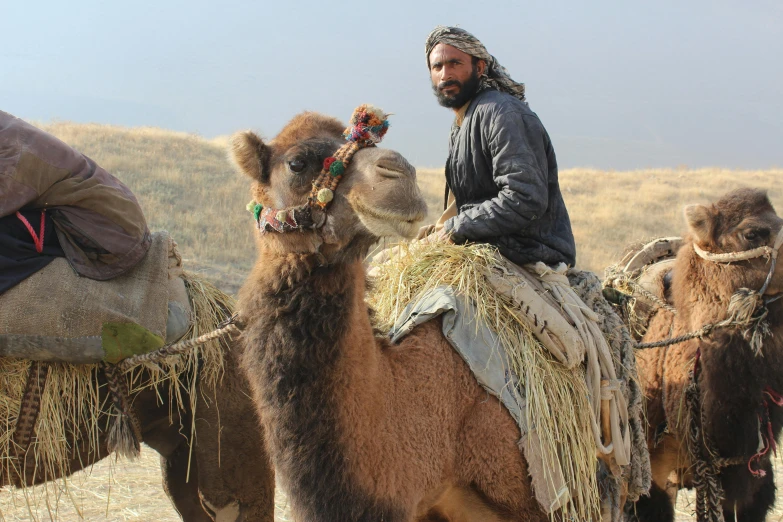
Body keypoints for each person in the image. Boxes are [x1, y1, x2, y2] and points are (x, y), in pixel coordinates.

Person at [423, 26, 576, 268]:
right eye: (437, 67)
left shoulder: (502, 112)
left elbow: (524, 197)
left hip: (526, 249)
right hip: (484, 243)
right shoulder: (462, 122)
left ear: (480, 67)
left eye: (455, 63)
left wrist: (456, 229)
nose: (445, 74)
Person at [0, 110, 150, 293]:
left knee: (5, 231)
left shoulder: (11, 149)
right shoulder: (8, 130)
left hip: (106, 231)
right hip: (103, 218)